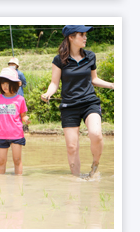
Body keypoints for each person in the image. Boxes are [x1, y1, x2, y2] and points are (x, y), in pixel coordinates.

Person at [40, 25, 114, 178]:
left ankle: (95, 166)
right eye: (82, 34)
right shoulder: (59, 59)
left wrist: (112, 85)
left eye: (86, 34)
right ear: (71, 37)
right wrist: (48, 93)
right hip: (69, 106)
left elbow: (94, 79)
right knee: (72, 147)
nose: (85, 37)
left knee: (96, 134)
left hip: (89, 103)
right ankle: (76, 182)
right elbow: (54, 83)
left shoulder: (90, 56)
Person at [0, 67, 30, 175]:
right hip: (2, 134)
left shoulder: (20, 99)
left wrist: (26, 120)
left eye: (7, 83)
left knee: (17, 160)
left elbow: (23, 116)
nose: (5, 86)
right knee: (1, 161)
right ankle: (1, 187)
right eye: (3, 83)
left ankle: (19, 185)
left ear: (14, 84)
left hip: (16, 134)